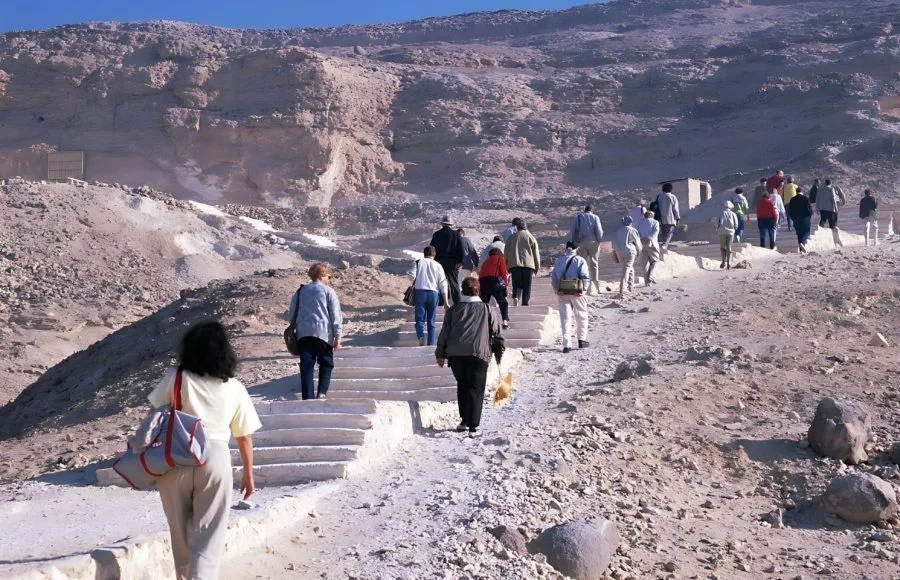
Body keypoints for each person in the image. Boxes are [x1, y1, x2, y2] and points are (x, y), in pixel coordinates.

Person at [150, 321, 261, 580]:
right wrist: (247, 473)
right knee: (208, 536)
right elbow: (244, 436)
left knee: (180, 534)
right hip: (215, 457)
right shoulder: (234, 387)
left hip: (175, 457)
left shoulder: (176, 377)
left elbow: (155, 411)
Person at [435, 277, 501, 437]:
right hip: (479, 353)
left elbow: (445, 332)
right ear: (479, 290)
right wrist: (499, 352)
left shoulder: (453, 310)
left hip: (456, 354)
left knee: (463, 385)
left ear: (462, 290)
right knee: (476, 388)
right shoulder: (487, 308)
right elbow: (497, 331)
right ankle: (473, 426)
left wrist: (440, 353)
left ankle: (464, 420)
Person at [288, 263, 343, 400]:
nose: (330, 280)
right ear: (322, 275)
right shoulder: (328, 291)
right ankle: (322, 393)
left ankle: (308, 397)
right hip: (323, 333)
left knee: (306, 365)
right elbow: (335, 315)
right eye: (329, 276)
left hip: (303, 334)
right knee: (326, 363)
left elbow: (291, 314)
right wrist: (338, 336)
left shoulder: (300, 291)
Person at [551, 241, 590, 353]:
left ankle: (567, 344)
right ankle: (582, 340)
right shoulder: (580, 260)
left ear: (566, 249)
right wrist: (584, 289)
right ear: (576, 249)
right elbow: (585, 276)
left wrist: (557, 290)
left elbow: (554, 277)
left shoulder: (559, 261)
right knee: (581, 315)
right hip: (577, 291)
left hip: (562, 292)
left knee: (565, 318)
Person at [409, 246, 449, 347]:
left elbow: (410, 275)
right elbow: (443, 284)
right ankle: (431, 343)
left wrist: (418, 279)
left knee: (419, 319)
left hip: (420, 292)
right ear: (434, 254)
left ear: (424, 253)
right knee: (431, 320)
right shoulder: (438, 265)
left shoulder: (418, 262)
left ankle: (421, 336)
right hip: (433, 294)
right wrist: (445, 302)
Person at [568, 204, 604, 294]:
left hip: (581, 243)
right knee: (594, 264)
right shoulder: (595, 217)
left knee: (583, 265)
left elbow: (573, 231)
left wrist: (575, 242)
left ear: (584, 210)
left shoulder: (578, 217)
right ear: (592, 210)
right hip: (593, 242)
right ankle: (595, 287)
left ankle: (584, 287)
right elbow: (599, 230)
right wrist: (599, 240)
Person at [504, 220, 541, 307]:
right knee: (527, 285)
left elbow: (506, 252)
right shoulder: (530, 237)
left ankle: (516, 296)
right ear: (525, 227)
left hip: (514, 264)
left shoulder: (512, 237)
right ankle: (525, 302)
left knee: (516, 283)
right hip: (528, 265)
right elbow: (535, 253)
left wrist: (506, 265)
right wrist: (537, 267)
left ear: (517, 227)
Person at [430, 216, 464, 306]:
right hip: (453, 263)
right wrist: (460, 261)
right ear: (451, 224)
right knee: (454, 283)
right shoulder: (456, 234)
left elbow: (432, 249)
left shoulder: (436, 235)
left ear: (442, 224)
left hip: (439, 262)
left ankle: (441, 303)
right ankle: (458, 303)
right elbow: (461, 249)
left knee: (441, 283)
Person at [478, 247, 510, 329]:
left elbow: (481, 274)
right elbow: (503, 273)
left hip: (483, 282)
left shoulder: (485, 262)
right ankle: (505, 322)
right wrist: (505, 285)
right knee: (503, 302)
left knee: (484, 304)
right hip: (493, 281)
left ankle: (482, 323)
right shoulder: (500, 259)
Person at [612, 216, 642, 296]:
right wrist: (639, 251)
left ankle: (630, 286)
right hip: (629, 251)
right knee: (627, 268)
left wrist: (615, 252)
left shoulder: (618, 230)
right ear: (631, 222)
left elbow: (614, 242)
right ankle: (623, 287)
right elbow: (637, 242)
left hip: (619, 252)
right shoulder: (632, 229)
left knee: (629, 267)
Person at [817, 179, 847, 248]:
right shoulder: (835, 187)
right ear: (831, 182)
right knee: (833, 221)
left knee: (823, 219)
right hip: (833, 205)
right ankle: (835, 236)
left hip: (823, 207)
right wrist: (843, 202)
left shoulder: (821, 189)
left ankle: (820, 230)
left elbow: (817, 198)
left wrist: (817, 207)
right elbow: (842, 195)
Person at [637, 209, 661, 286]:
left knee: (645, 264)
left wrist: (642, 239)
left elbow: (637, 233)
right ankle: (651, 276)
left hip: (641, 244)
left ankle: (647, 282)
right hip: (651, 244)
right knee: (655, 261)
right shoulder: (655, 222)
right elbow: (655, 232)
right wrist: (648, 238)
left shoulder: (640, 223)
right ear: (652, 216)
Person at [788, 186, 813, 253]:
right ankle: (802, 243)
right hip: (805, 218)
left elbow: (790, 210)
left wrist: (793, 218)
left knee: (799, 233)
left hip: (796, 218)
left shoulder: (792, 199)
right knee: (806, 232)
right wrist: (810, 216)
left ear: (796, 192)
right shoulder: (805, 198)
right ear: (802, 191)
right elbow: (809, 209)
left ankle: (801, 249)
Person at [656, 183, 680, 250]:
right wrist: (677, 217)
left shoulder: (659, 197)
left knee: (664, 234)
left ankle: (664, 246)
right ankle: (664, 246)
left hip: (661, 219)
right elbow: (675, 209)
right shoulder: (672, 197)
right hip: (670, 219)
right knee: (670, 233)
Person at [716, 201, 738, 269]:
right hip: (731, 232)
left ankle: (723, 261)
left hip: (721, 232)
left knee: (722, 247)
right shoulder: (733, 214)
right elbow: (736, 225)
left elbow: (717, 223)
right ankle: (729, 263)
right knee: (729, 247)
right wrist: (733, 229)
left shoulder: (720, 213)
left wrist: (718, 228)